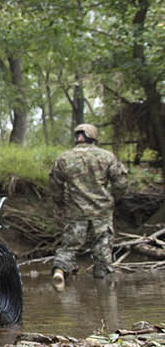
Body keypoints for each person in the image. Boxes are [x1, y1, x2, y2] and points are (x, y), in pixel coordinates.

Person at [49, 122, 127, 289]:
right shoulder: (107, 157)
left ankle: (59, 271)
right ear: (93, 137)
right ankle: (103, 289)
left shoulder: (63, 158)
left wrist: (61, 204)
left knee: (69, 246)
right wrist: (113, 199)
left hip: (75, 211)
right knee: (102, 250)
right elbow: (120, 183)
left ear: (77, 137)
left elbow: (55, 186)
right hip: (102, 211)